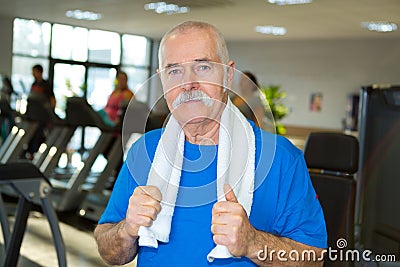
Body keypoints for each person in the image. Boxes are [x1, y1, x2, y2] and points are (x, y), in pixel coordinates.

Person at [94, 21, 327, 266]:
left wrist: (252, 243)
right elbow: (107, 250)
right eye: (174, 70)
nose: (188, 83)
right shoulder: (144, 151)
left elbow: (314, 259)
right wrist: (127, 229)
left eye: (203, 67)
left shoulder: (281, 158)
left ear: (227, 75)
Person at [26, 64, 55, 157]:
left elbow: (52, 99)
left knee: (39, 137)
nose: (33, 74)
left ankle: (36, 155)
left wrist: (51, 114)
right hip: (33, 116)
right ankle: (30, 154)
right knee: (31, 136)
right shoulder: (33, 84)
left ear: (40, 72)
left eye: (34, 72)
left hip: (42, 117)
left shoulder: (46, 85)